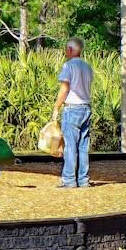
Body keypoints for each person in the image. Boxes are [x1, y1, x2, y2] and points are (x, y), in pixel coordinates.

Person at [52, 37, 95, 188]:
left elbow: (65, 89)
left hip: (73, 108)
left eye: (66, 49)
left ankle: (69, 180)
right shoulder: (87, 67)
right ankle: (83, 179)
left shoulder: (68, 66)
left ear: (70, 50)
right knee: (83, 146)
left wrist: (56, 108)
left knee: (70, 145)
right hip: (86, 107)